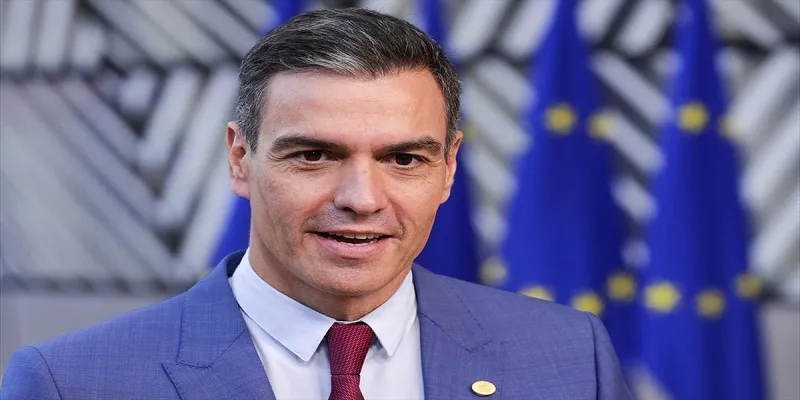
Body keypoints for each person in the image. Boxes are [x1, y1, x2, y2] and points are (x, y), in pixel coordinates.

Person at [0, 8, 632, 400]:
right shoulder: (72, 383)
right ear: (240, 159)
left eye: (404, 159)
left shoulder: (570, 357)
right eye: (314, 156)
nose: (362, 199)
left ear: (449, 168)